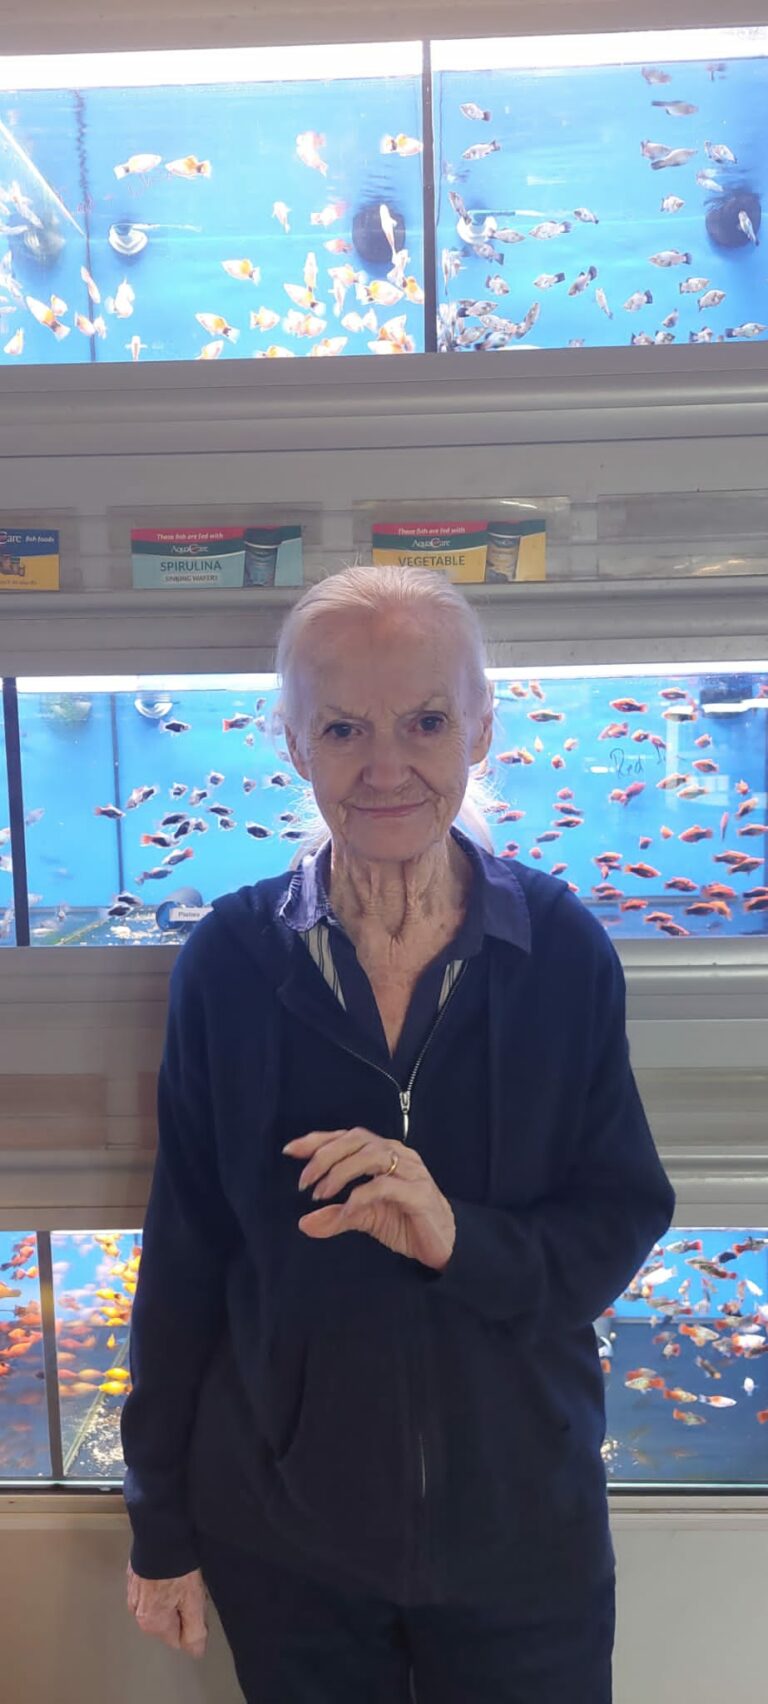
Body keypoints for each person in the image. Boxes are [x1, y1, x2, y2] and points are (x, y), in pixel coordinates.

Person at [121, 564, 675, 1703]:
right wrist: (160, 1523)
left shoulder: (561, 951)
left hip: (526, 1536)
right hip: (285, 1543)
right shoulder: (230, 963)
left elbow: (618, 1219)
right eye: (342, 729)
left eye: (425, 722)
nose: (386, 768)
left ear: (481, 730)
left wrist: (456, 1236)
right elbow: (184, 1257)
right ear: (293, 744)